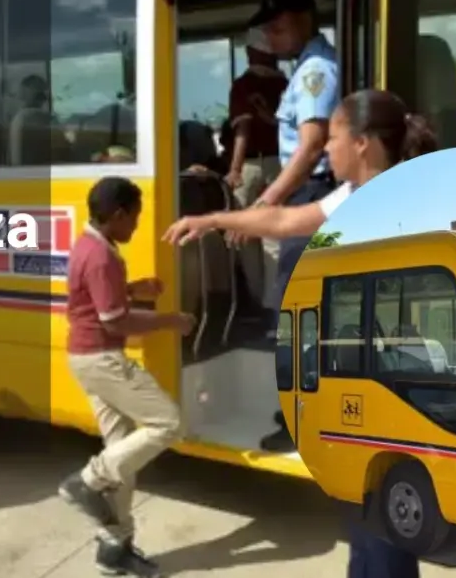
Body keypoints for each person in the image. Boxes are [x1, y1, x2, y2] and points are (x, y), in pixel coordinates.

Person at [164, 88, 436, 578]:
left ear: (362, 143)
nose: (325, 148)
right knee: (364, 517)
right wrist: (213, 219)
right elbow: (286, 219)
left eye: (333, 137)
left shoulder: (397, 200)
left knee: (381, 522)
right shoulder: (355, 195)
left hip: (386, 383)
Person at [57, 177, 195, 578]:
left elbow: (96, 298)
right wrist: (171, 321)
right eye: (134, 218)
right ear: (117, 215)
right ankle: (87, 480)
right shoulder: (101, 256)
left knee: (123, 457)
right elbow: (114, 321)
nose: (136, 226)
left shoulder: (90, 245)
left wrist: (133, 289)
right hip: (102, 359)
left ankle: (113, 547)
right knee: (169, 423)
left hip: (86, 358)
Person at [240, 0, 339, 451]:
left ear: (302, 20)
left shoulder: (316, 70)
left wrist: (268, 202)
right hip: (307, 191)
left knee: (295, 314)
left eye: (276, 28)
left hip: (309, 191)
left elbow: (312, 146)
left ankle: (301, 423)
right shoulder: (307, 66)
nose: (271, 38)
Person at [226, 27, 288, 314]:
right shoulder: (285, 84)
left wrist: (234, 168)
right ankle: (272, 301)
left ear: (251, 52)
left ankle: (257, 301)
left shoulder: (243, 85)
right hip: (280, 165)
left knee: (243, 235)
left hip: (250, 165)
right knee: (273, 237)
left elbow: (243, 129)